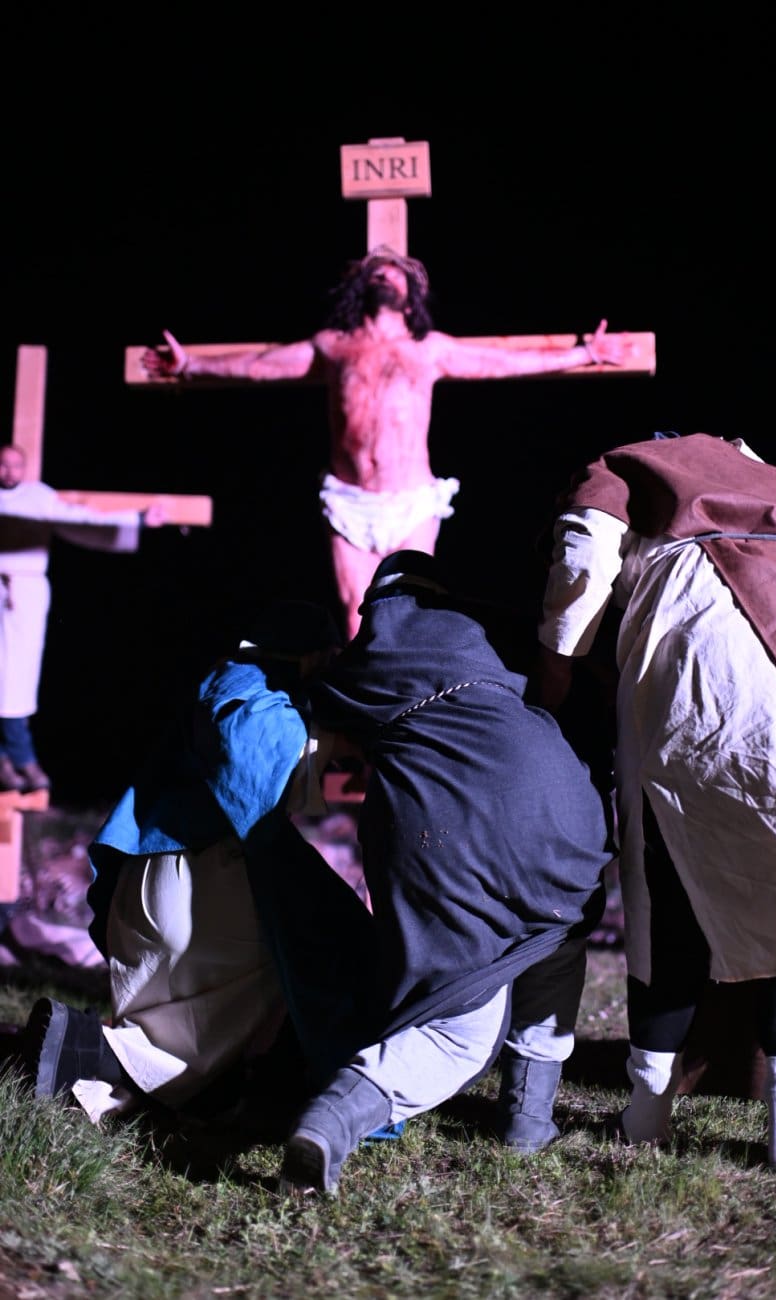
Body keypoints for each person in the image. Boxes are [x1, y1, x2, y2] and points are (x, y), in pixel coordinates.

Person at [535, 430, 776, 1170]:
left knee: (667, 881)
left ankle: (647, 1110)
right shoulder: (775, 478)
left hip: (703, 636)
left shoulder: (628, 465)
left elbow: (586, 547)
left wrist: (556, 665)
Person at [278, 549, 614, 1196]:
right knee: (552, 939)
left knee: (459, 1032)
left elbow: (311, 708)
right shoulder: (492, 641)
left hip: (453, 829)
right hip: (563, 815)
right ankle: (528, 1119)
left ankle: (333, 1119)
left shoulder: (367, 665)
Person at [20, 599, 383, 1132]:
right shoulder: (245, 687)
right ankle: (90, 1046)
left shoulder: (237, 682)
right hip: (192, 883)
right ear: (313, 655)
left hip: (154, 885)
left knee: (180, 1050)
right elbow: (246, 743)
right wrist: (335, 737)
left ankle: (100, 1079)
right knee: (298, 949)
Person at [141, 246, 630, 639]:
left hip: (411, 502)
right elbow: (258, 366)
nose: (385, 273)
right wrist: (190, 365)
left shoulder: (427, 348)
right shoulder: (334, 346)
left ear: (411, 296)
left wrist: (583, 353)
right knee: (354, 619)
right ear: (360, 287)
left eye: (396, 272)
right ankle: (365, 726)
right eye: (376, 270)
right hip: (349, 501)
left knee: (412, 613)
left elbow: (504, 362)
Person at [0, 443, 166, 793]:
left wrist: (137, 520)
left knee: (15, 683)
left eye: (15, 465)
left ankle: (19, 757)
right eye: (3, 465)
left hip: (24, 594)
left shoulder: (37, 497)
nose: (9, 472)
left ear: (24, 468)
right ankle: (11, 760)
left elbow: (82, 518)